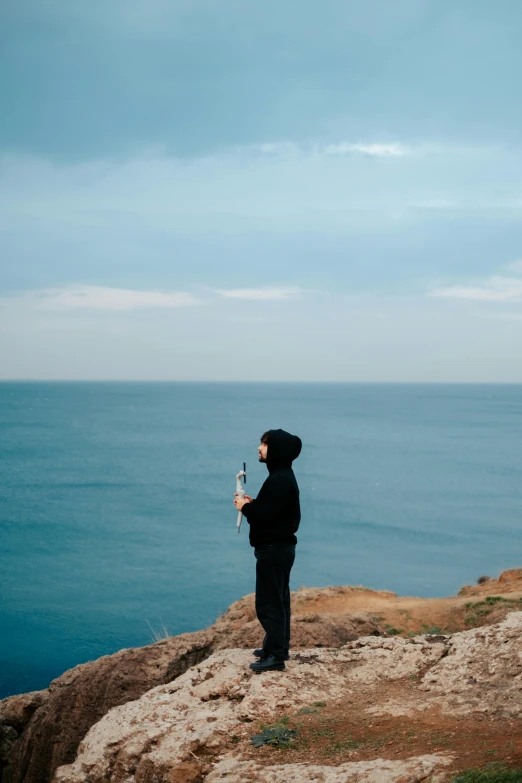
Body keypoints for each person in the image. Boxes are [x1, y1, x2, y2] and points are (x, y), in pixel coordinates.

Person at [234, 428, 302, 672]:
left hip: (273, 549)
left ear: (277, 450)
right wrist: (253, 504)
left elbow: (265, 518)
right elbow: (273, 511)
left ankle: (275, 656)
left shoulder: (280, 480)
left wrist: (245, 507)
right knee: (279, 600)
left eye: (264, 444)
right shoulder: (282, 476)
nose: (259, 448)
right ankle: (277, 647)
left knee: (269, 603)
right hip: (280, 548)